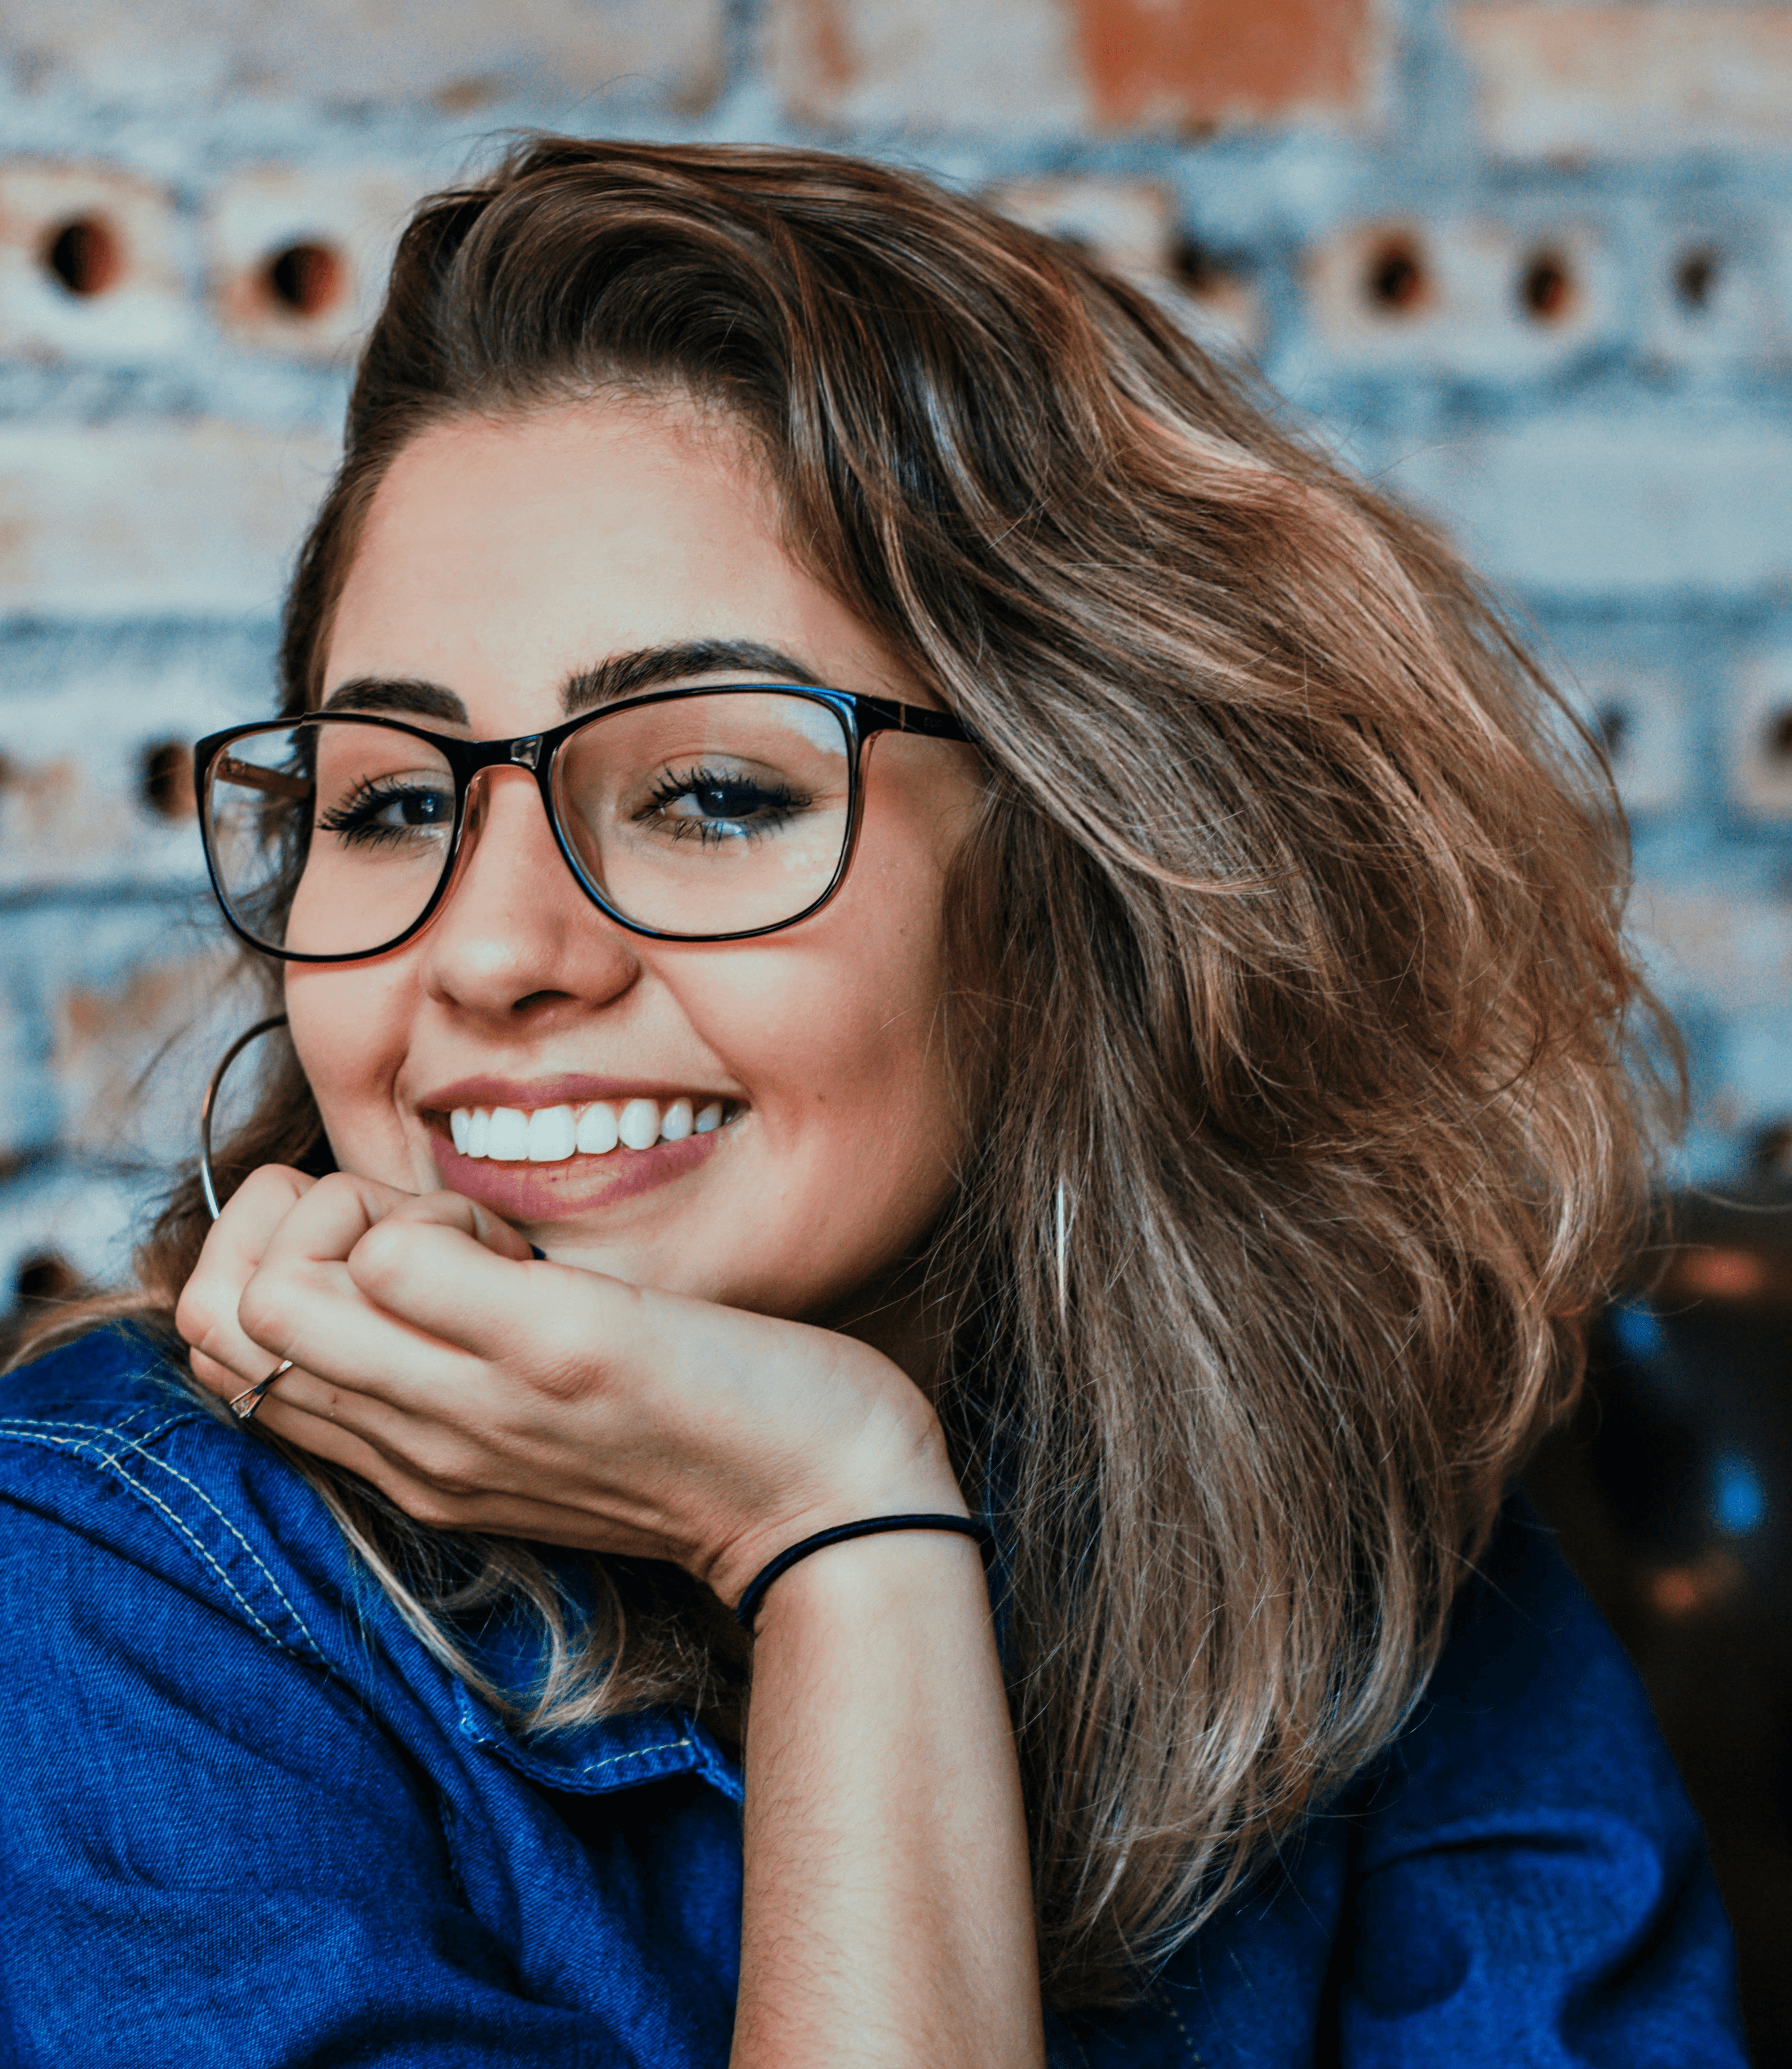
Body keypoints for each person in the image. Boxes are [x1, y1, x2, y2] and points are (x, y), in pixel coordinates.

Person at [0, 138, 1746, 2067]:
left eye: (713, 794)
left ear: (1082, 874)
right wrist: (838, 1534)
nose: (491, 957)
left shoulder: (1347, 1517)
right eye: (395, 801)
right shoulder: (110, 1583)